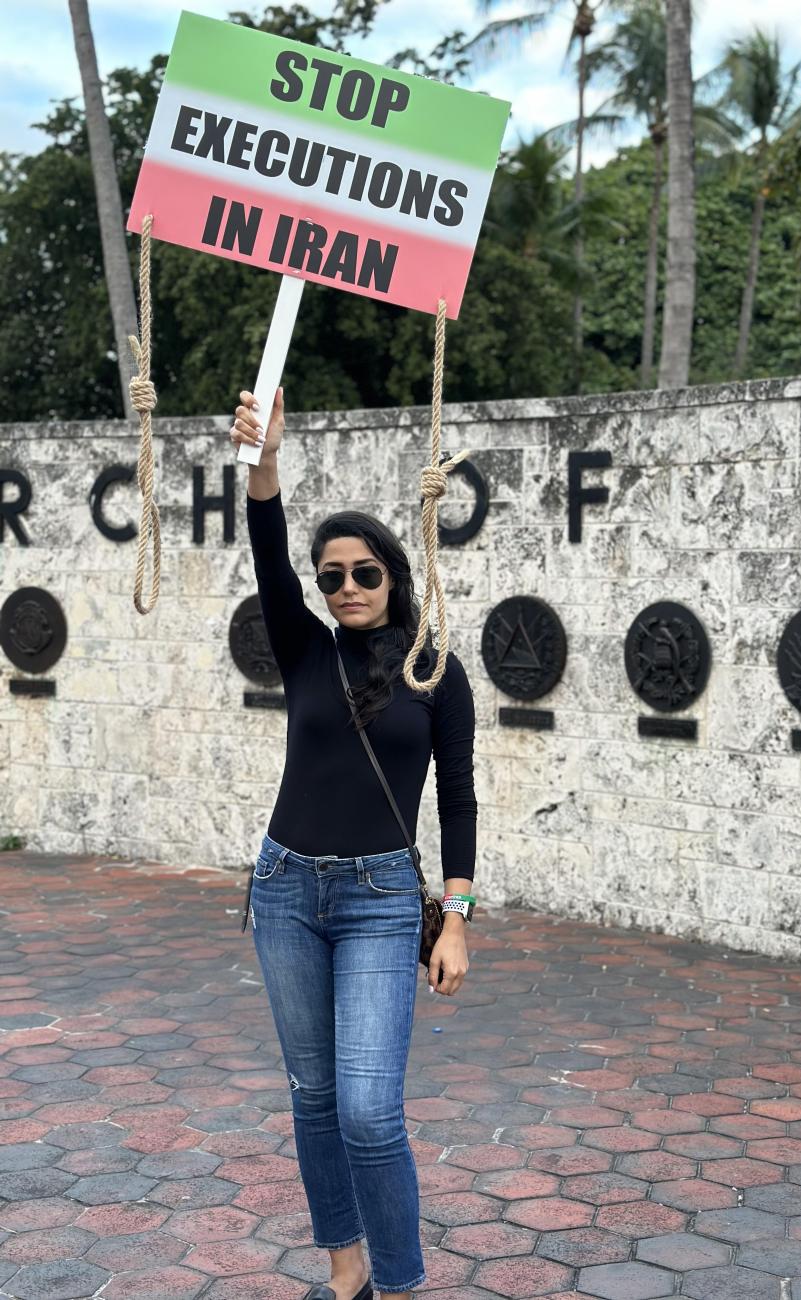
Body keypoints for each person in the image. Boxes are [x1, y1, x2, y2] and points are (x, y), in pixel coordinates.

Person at [231, 386, 478, 1300]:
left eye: (362, 573)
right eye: (330, 575)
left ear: (393, 576)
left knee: (371, 1110)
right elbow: (265, 548)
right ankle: (345, 1274)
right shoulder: (306, 649)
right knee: (314, 1097)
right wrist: (266, 459)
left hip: (380, 902)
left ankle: (401, 1284)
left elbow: (457, 798)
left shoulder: (435, 670)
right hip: (286, 891)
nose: (345, 589)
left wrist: (455, 918)